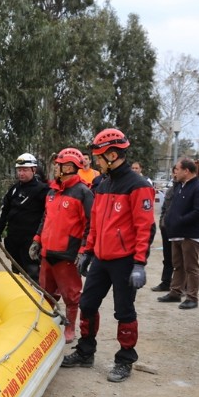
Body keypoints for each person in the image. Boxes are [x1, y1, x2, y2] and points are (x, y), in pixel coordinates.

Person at [61, 128, 155, 383]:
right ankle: (85, 352)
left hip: (125, 261)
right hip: (101, 259)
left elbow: (145, 228)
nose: (94, 162)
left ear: (112, 155)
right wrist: (88, 251)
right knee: (88, 304)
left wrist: (139, 264)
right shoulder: (103, 184)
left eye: (98, 157)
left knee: (124, 311)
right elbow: (95, 224)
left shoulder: (138, 186)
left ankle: (125, 359)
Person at [30, 148, 93, 342]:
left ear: (69, 167)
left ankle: (70, 327)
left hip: (67, 254)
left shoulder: (83, 192)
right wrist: (37, 240)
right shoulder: (52, 191)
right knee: (46, 293)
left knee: (71, 295)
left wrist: (83, 251)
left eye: (58, 165)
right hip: (47, 252)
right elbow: (45, 218)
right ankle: (48, 325)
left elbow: (90, 224)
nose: (55, 168)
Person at [156, 157, 199, 310]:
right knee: (178, 265)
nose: (175, 173)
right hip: (176, 233)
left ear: (186, 171)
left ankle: (192, 297)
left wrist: (179, 221)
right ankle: (175, 292)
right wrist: (169, 220)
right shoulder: (180, 186)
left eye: (178, 170)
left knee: (191, 267)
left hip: (190, 235)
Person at [0, 153, 48, 279]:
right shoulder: (14, 189)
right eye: (19, 170)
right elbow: (5, 210)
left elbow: (47, 216)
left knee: (32, 272)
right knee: (16, 271)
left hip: (31, 240)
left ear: (33, 170)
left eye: (25, 170)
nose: (21, 173)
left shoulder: (42, 190)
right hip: (14, 238)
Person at [151, 167, 176, 293]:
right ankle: (166, 282)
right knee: (167, 258)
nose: (175, 174)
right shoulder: (170, 190)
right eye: (174, 172)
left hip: (179, 230)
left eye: (177, 171)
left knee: (181, 260)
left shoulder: (187, 190)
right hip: (166, 229)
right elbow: (164, 209)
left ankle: (183, 286)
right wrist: (162, 223)